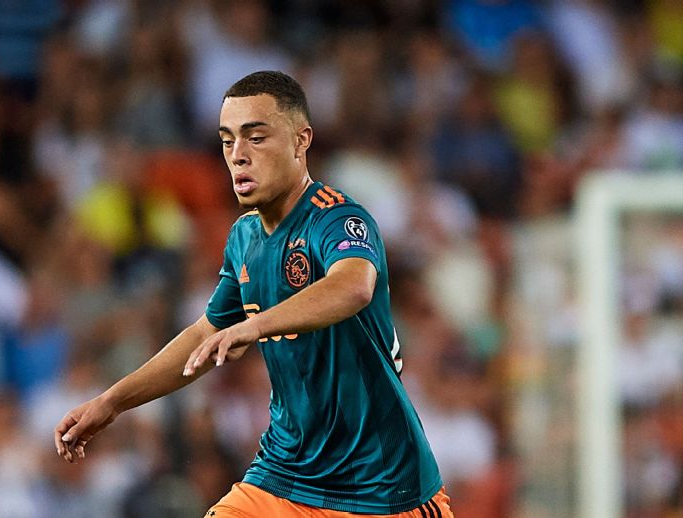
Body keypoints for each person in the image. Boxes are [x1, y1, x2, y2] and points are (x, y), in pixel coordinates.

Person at [55, 71, 452, 517]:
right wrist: (112, 402)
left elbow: (354, 286)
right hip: (285, 475)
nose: (238, 155)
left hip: (383, 489)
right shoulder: (245, 238)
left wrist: (255, 325)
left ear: (301, 140)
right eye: (227, 141)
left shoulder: (336, 219)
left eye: (256, 138)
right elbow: (204, 335)